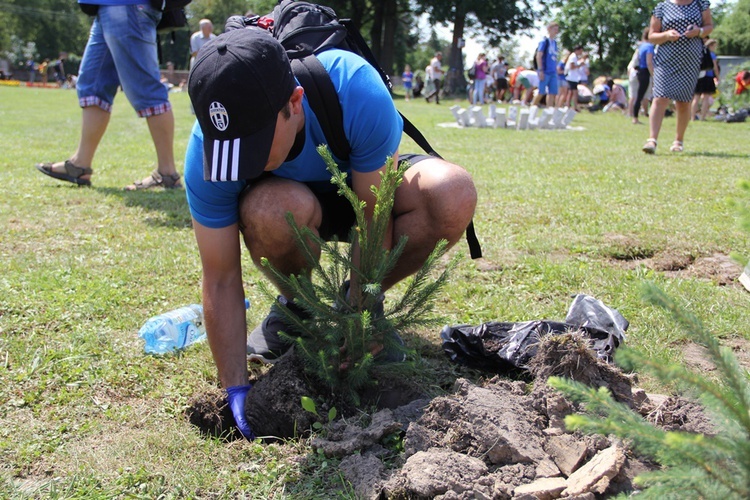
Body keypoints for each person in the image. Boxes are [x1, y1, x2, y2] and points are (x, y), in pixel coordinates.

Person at [184, 29, 477, 439]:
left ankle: (350, 309)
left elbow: (373, 221)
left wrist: (358, 315)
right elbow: (219, 274)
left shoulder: (353, 87)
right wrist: (234, 386)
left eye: (254, 146)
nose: (244, 165)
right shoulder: (208, 150)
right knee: (272, 209)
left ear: (294, 102)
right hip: (291, 203)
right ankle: (298, 310)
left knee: (451, 194)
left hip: (363, 181)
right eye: (232, 150)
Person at [35, 1, 179, 190]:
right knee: (93, 85)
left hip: (127, 6)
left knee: (147, 89)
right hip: (106, 6)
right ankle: (80, 165)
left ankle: (167, 173)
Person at [642, 0, 713, 154]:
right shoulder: (662, 7)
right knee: (660, 97)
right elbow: (652, 36)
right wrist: (666, 35)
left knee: (683, 102)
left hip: (690, 61)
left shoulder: (701, 4)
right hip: (665, 60)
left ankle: (678, 141)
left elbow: (709, 26)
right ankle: (652, 140)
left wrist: (699, 31)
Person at [630, 27, 654, 124]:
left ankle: (634, 116)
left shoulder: (641, 46)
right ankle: (635, 118)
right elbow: (649, 62)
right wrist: (654, 75)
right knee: (641, 96)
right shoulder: (650, 47)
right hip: (645, 72)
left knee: (638, 95)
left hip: (639, 71)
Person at [692, 39, 719, 121]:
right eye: (714, 46)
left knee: (696, 97)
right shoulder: (712, 55)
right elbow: (714, 67)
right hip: (708, 77)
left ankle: (692, 117)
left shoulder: (700, 53)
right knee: (706, 98)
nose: (715, 48)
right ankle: (702, 117)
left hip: (699, 77)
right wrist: (717, 76)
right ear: (710, 46)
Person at [534, 21, 559, 107]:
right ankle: (532, 107)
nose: (556, 31)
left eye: (557, 30)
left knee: (552, 92)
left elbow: (554, 58)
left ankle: (549, 111)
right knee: (541, 92)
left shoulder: (555, 43)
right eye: (554, 29)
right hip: (544, 70)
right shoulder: (544, 41)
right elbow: (539, 56)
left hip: (553, 71)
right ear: (549, 29)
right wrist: (540, 69)